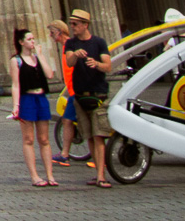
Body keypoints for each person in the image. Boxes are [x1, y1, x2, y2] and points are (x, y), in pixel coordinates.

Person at [62, 10, 114, 188]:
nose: (72, 27)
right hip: (80, 97)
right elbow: (69, 62)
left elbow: (108, 66)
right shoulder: (71, 43)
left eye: (75, 24)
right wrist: (76, 55)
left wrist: (96, 64)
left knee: (99, 136)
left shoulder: (99, 42)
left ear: (85, 25)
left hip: (98, 95)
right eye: (71, 23)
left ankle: (101, 176)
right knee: (90, 136)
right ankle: (97, 173)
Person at [9, 28, 57, 187]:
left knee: (44, 139)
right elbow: (16, 85)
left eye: (33, 39)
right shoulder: (16, 60)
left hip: (41, 98)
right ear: (21, 42)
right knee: (28, 139)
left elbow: (50, 75)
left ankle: (50, 175)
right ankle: (35, 176)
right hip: (26, 99)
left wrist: (41, 55)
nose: (33, 41)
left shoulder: (37, 58)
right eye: (29, 39)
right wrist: (16, 106)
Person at [45, 21, 79, 165]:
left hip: (76, 90)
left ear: (59, 32)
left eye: (52, 33)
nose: (51, 36)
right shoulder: (67, 46)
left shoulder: (70, 46)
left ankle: (65, 153)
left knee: (68, 120)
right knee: (69, 120)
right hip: (72, 89)